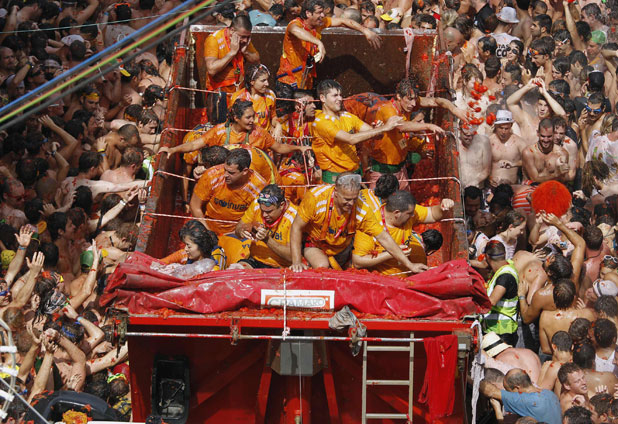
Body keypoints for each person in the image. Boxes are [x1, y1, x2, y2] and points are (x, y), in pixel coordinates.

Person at [289, 172, 427, 272]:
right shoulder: (315, 198)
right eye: (347, 199)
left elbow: (383, 237)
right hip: (316, 243)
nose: (351, 203)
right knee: (322, 267)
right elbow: (296, 227)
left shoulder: (361, 208)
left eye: (354, 199)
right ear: (335, 192)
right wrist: (296, 262)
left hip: (343, 248)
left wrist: (410, 265)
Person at [310, 79, 403, 183]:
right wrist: (383, 128)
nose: (340, 98)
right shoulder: (321, 122)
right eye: (335, 95)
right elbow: (350, 139)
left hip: (355, 173)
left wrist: (378, 129)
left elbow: (377, 135)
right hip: (335, 178)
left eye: (340, 95)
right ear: (322, 98)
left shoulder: (347, 116)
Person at [276, 0, 381, 90]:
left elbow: (343, 21)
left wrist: (365, 31)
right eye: (319, 12)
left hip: (306, 82)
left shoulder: (320, 23)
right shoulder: (295, 24)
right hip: (288, 81)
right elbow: (296, 31)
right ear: (308, 14)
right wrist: (318, 42)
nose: (323, 15)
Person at [364, 78, 445, 190]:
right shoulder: (387, 109)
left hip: (400, 170)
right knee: (378, 204)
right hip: (382, 171)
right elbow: (401, 126)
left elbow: (434, 101)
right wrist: (428, 126)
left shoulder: (405, 108)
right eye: (410, 99)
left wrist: (456, 110)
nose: (413, 104)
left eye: (415, 100)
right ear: (398, 96)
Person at [352, 190, 452, 274]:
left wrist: (442, 207)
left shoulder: (409, 212)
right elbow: (358, 262)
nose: (414, 216)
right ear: (397, 213)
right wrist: (392, 253)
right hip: (385, 283)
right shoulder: (369, 226)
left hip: (408, 278)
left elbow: (432, 214)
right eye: (410, 214)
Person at [190, 148, 267, 235]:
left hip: (237, 232)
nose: (225, 175)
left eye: (231, 172)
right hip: (207, 226)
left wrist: (239, 232)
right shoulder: (212, 175)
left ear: (245, 171)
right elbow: (194, 206)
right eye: (225, 169)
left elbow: (261, 217)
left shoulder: (259, 186)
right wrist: (209, 234)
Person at [204, 15, 260, 123]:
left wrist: (245, 52)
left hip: (239, 92)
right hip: (220, 94)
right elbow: (211, 69)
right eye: (242, 36)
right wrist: (232, 53)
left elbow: (257, 60)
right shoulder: (214, 39)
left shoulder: (244, 40)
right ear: (232, 30)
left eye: (248, 37)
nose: (245, 40)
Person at [234, 184, 298, 268]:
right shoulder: (257, 204)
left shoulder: (294, 217)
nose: (264, 215)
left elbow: (292, 257)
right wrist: (242, 231)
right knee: (236, 270)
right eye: (262, 210)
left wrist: (267, 240)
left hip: (281, 267)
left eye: (269, 211)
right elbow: (237, 229)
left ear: (281, 205)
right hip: (254, 260)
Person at [480, 368, 562, 424]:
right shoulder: (549, 393)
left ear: (517, 388)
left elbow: (490, 391)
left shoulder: (524, 401)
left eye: (508, 391)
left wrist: (469, 378)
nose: (509, 394)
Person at [539, 279, 597, 355]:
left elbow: (545, 349)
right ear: (574, 297)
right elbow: (596, 341)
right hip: (582, 357)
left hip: (559, 359)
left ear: (554, 298)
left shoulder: (545, 317)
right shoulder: (587, 314)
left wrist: (563, 354)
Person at [483, 240, 520, 347]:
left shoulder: (505, 276)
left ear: (487, 257)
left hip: (501, 331)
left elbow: (492, 301)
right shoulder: (507, 265)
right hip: (496, 329)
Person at [521, 118, 571, 183]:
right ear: (538, 133)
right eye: (543, 136)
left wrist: (563, 172)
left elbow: (562, 180)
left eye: (549, 136)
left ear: (554, 134)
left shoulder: (562, 153)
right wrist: (556, 174)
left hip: (552, 188)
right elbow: (534, 179)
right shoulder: (528, 152)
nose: (546, 140)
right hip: (532, 188)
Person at [489, 110, 527, 187]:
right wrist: (489, 178)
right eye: (501, 128)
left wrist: (514, 164)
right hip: (492, 188)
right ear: (496, 126)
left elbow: (529, 162)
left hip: (512, 187)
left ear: (511, 125)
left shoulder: (519, 142)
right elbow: (482, 165)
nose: (503, 131)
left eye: (506, 128)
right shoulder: (489, 141)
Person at [457, 121, 492, 188]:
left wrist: (475, 182)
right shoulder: (454, 143)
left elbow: (487, 170)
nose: (469, 138)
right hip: (459, 188)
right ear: (460, 130)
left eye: (472, 135)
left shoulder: (483, 142)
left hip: (477, 188)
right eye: (466, 135)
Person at [538, 331, 573, 396]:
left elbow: (540, 395)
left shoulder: (555, 367)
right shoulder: (577, 359)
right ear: (572, 346)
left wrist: (543, 372)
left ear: (554, 347)